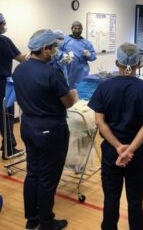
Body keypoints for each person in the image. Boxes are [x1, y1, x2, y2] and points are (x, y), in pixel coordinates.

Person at [88, 42, 143, 230]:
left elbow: (99, 122)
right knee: (135, 200)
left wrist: (119, 147)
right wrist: (130, 149)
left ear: (116, 62)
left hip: (112, 152)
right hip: (136, 154)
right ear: (138, 64)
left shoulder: (105, 87)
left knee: (111, 198)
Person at [13, 29, 75, 230]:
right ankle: (47, 222)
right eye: (54, 47)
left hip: (28, 127)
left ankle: (32, 218)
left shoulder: (19, 70)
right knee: (47, 178)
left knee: (33, 173)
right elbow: (67, 103)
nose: (56, 50)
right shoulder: (51, 73)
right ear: (45, 49)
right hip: (50, 131)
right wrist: (72, 95)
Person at [0, 12, 26, 160]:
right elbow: (21, 58)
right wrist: (35, 55)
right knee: (6, 115)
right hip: (2, 84)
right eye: (3, 23)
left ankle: (6, 144)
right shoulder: (3, 41)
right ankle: (9, 149)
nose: (4, 26)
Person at [63, 21, 97, 89]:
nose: (77, 30)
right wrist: (64, 56)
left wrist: (89, 55)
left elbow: (93, 56)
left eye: (79, 28)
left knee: (80, 88)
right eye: (75, 28)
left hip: (81, 71)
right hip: (68, 68)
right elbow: (58, 50)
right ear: (71, 29)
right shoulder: (66, 40)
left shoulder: (86, 43)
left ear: (82, 29)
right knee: (67, 87)